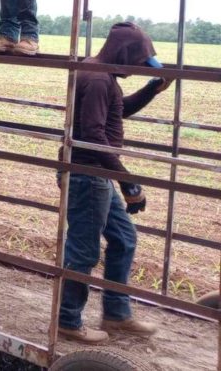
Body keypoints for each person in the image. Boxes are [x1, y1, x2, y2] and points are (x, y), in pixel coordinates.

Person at [56, 21, 170, 343]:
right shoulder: (96, 79)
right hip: (88, 174)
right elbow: (93, 136)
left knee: (123, 238)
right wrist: (129, 182)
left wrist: (151, 88)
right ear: (123, 54)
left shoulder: (102, 75)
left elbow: (117, 113)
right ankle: (67, 321)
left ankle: (116, 315)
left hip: (97, 174)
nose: (136, 70)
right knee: (83, 251)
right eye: (137, 63)